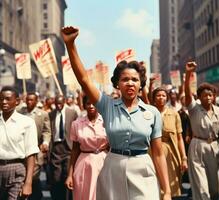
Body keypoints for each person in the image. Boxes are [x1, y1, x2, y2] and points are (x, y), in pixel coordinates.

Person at [61, 26, 171, 200]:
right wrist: (70, 45)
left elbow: (158, 154)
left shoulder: (152, 112)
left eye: (134, 79)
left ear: (141, 84)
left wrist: (167, 191)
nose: (130, 83)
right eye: (125, 79)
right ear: (117, 84)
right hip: (112, 170)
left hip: (143, 171)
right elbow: (84, 80)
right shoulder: (107, 105)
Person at [184, 62, 219, 200]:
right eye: (204, 95)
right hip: (197, 147)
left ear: (214, 96)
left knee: (215, 188)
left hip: (215, 148)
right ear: (199, 97)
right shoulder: (194, 109)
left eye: (210, 95)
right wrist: (188, 74)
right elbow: (187, 93)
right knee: (201, 189)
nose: (208, 98)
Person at [65, 95, 108, 200]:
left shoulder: (107, 121)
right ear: (84, 105)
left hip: (104, 162)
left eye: (94, 103)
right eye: (88, 103)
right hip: (84, 164)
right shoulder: (76, 124)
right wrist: (70, 175)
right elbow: (75, 150)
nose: (91, 106)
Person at [0, 86, 39, 199]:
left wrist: (28, 183)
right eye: (1, 99)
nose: (4, 102)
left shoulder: (27, 122)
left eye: (8, 99)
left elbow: (31, 154)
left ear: (17, 101)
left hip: (17, 171)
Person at [152, 87, 188, 199]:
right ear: (153, 98)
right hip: (152, 151)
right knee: (154, 182)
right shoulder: (149, 113)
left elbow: (179, 137)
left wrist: (183, 158)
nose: (161, 97)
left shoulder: (174, 114)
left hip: (171, 153)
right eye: (158, 95)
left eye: (163, 95)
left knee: (171, 182)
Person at [18, 92, 52, 200]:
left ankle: (35, 195)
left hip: (36, 151)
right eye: (27, 100)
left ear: (36, 101)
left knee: (33, 175)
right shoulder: (19, 113)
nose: (29, 102)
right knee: (22, 176)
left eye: (31, 100)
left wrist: (45, 143)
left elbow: (47, 131)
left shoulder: (43, 114)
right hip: (21, 150)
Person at [49, 95, 78, 200]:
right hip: (56, 149)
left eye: (60, 103)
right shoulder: (51, 114)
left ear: (64, 102)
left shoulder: (72, 113)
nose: (58, 106)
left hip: (69, 148)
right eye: (56, 104)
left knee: (67, 175)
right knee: (56, 177)